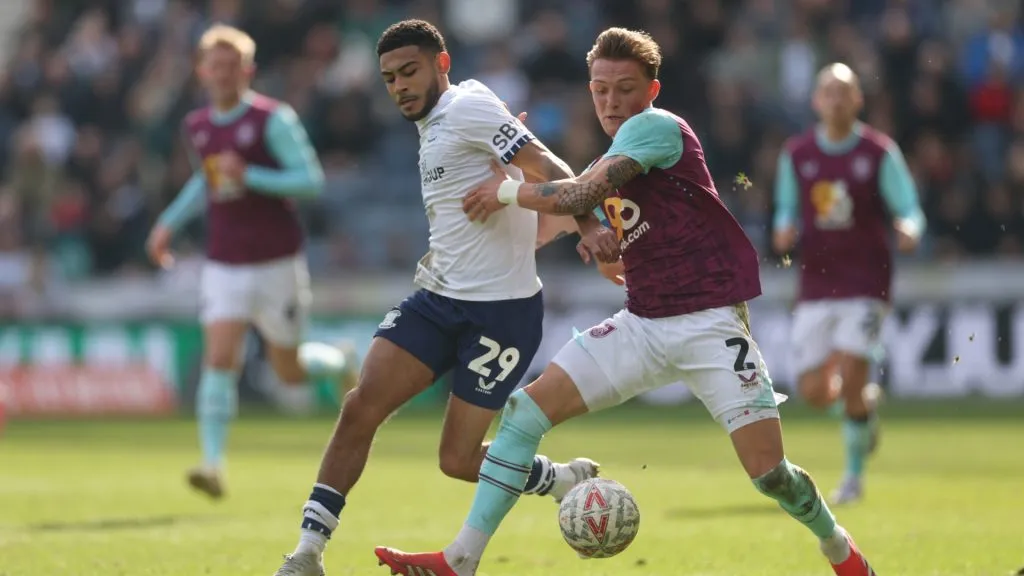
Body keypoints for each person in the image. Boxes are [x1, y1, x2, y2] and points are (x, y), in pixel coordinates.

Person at [374, 28, 877, 576]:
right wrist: (559, 222)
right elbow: (550, 227)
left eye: (625, 89)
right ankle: (461, 560)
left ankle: (839, 548)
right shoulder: (611, 159)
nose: (611, 102)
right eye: (600, 90)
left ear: (652, 90)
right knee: (524, 413)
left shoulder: (657, 129)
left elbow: (578, 193)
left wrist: (507, 189)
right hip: (642, 325)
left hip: (710, 325)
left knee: (770, 475)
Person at [272, 20, 619, 576]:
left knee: (457, 460)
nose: (400, 86)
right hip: (437, 299)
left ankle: (554, 478)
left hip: (502, 315)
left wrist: (589, 227)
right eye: (389, 78)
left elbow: (552, 168)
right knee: (360, 406)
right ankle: (308, 553)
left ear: (442, 64)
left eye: (410, 71)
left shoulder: (467, 106)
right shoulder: (435, 122)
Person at [146, 25, 357, 500]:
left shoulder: (272, 119)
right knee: (220, 358)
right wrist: (167, 223)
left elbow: (310, 181)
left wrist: (251, 175)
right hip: (224, 261)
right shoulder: (197, 125)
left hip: (276, 260)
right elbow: (206, 181)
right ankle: (212, 464)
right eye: (215, 66)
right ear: (202, 71)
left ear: (248, 70)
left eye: (231, 66)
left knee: (290, 371)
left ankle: (339, 359)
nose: (223, 74)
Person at [773, 62, 925, 505]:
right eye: (829, 93)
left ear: (858, 99)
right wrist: (783, 228)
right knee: (813, 391)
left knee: (854, 375)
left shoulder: (878, 152)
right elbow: (785, 207)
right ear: (816, 101)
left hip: (866, 281)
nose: (836, 101)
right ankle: (861, 414)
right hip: (817, 283)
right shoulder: (797, 154)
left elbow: (908, 205)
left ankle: (853, 477)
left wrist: (910, 227)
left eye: (845, 92)